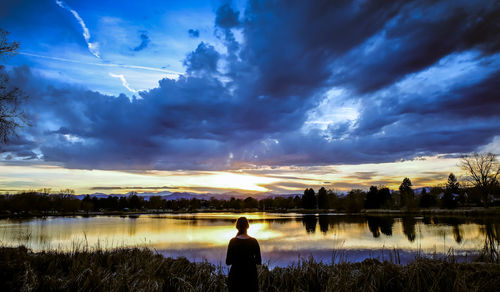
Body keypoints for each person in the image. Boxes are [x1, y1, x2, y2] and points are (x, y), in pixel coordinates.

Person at [226, 216, 262, 292]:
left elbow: (228, 262)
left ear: (237, 227)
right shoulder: (254, 241)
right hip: (251, 277)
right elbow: (259, 261)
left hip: (235, 277)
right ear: (248, 227)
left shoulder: (233, 241)